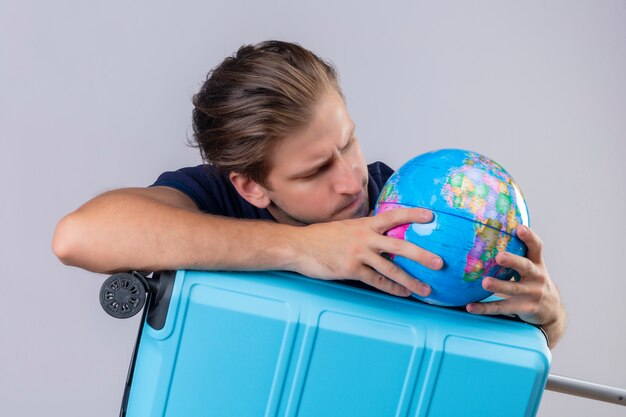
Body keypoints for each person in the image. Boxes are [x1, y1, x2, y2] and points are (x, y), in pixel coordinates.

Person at [52, 40, 566, 347]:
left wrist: (548, 317)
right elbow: (78, 237)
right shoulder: (217, 200)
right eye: (315, 170)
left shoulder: (425, 214)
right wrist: (305, 248)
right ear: (251, 186)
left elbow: (519, 349)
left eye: (348, 143)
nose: (352, 180)